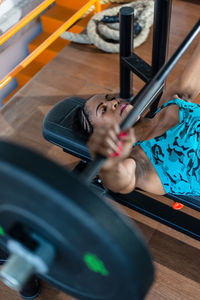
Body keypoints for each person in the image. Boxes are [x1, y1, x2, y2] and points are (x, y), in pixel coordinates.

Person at [76, 40, 200, 197]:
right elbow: (120, 180)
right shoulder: (138, 160)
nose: (114, 102)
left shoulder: (169, 102)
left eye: (109, 98)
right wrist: (111, 163)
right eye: (103, 110)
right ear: (101, 133)